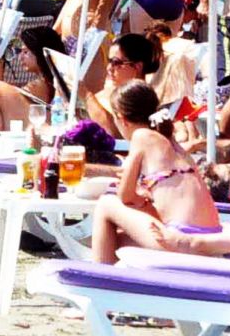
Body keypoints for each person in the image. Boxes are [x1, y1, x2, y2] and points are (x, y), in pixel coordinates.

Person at [91, 80, 222, 263]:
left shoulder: (141, 136)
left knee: (106, 204)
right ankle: (115, 276)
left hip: (182, 236)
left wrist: (140, 199)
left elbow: (125, 196)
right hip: (210, 233)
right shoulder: (171, 141)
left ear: (121, 119)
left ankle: (100, 276)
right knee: (118, 239)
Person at [85, 33, 159, 139]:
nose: (109, 68)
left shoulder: (143, 99)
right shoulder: (107, 93)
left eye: (116, 62)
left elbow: (114, 134)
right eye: (109, 61)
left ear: (137, 67)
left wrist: (86, 96)